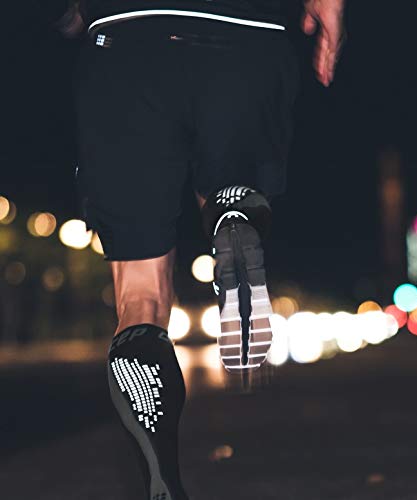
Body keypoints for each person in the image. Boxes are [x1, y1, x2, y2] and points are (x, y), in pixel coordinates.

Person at [55, 0, 345, 498]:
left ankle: (161, 476)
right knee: (236, 184)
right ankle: (234, 212)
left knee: (140, 296)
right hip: (245, 36)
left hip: (127, 40)